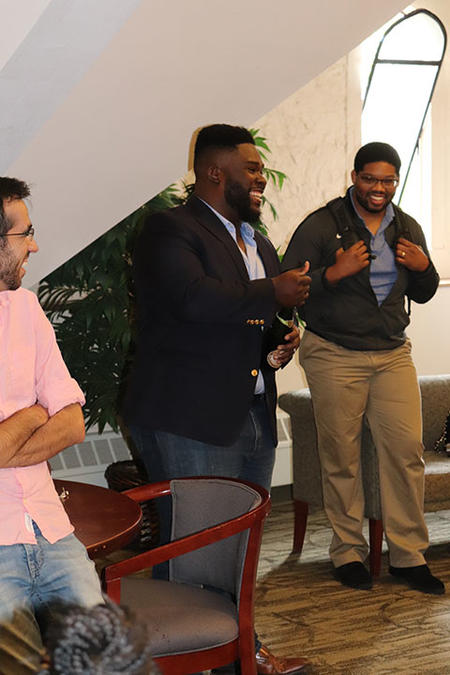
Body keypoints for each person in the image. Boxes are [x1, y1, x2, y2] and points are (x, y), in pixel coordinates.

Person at [124, 124, 311, 674]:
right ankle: (181, 661)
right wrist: (270, 294)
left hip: (250, 410)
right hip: (189, 416)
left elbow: (255, 317)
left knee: (241, 546)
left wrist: (283, 335)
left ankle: (239, 650)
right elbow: (192, 299)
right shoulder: (170, 230)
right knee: (192, 552)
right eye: (251, 169)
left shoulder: (258, 241)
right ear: (214, 172)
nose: (261, 180)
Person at [282, 141, 444, 595]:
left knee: (406, 453)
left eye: (388, 180)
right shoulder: (322, 225)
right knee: (342, 458)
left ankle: (409, 557)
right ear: (354, 177)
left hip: (392, 353)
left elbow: (427, 290)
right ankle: (348, 552)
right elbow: (288, 286)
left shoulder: (405, 226)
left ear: (396, 181)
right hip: (335, 353)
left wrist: (425, 266)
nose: (379, 188)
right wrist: (333, 274)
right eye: (370, 178)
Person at [0, 177, 104, 629]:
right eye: (25, 234)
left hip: (51, 530)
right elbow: (52, 410)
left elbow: (73, 423)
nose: (35, 245)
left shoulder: (27, 309)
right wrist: (34, 411)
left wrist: (16, 430)